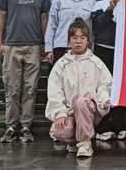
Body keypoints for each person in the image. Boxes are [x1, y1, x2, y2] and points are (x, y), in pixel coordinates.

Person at [0, 0, 51, 143]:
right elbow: (2, 17)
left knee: (30, 89)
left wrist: (45, 43)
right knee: (12, 88)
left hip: (33, 45)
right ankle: (11, 126)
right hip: (12, 44)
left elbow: (44, 19)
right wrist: (0, 43)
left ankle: (26, 126)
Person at [47, 18, 112, 158]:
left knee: (81, 102)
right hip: (69, 112)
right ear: (69, 40)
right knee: (57, 131)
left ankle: (84, 143)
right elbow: (55, 90)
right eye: (74, 37)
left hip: (89, 110)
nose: (78, 41)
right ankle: (75, 142)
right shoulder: (61, 64)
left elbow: (104, 85)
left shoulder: (95, 62)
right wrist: (60, 113)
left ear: (87, 40)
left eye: (82, 37)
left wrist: (104, 100)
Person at [90, 0, 126, 141]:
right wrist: (110, 9)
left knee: (121, 87)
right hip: (103, 51)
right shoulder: (100, 4)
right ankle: (104, 125)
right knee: (104, 87)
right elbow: (98, 25)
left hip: (123, 52)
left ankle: (121, 124)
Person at [45, 0, 96, 66]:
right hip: (61, 45)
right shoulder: (59, 0)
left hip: (83, 46)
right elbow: (52, 25)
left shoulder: (91, 1)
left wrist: (91, 47)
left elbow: (92, 28)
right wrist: (49, 49)